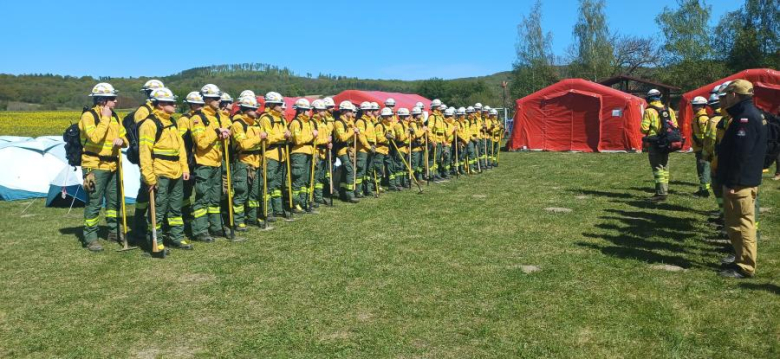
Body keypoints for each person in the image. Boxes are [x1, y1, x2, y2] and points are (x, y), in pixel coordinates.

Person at [717, 80, 766, 279]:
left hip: (740, 183)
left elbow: (740, 154)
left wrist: (731, 182)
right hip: (745, 180)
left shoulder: (744, 118)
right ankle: (740, 256)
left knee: (741, 223)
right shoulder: (753, 114)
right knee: (737, 222)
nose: (725, 98)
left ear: (734, 95)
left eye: (727, 94)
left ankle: (745, 266)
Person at [139, 88, 193, 255]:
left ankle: (176, 237)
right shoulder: (150, 124)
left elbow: (180, 148)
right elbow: (145, 152)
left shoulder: (172, 122)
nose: (174, 105)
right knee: (159, 208)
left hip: (176, 171)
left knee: (176, 207)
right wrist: (149, 177)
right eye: (170, 102)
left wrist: (185, 167)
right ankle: (155, 241)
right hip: (160, 171)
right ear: (160, 105)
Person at [79, 83, 128, 252]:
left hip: (113, 165)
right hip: (94, 166)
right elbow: (94, 138)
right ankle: (91, 237)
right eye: (112, 98)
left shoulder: (116, 116)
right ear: (102, 100)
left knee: (114, 202)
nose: (116, 101)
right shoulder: (88, 116)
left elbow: (124, 136)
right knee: (94, 202)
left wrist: (123, 141)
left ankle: (114, 232)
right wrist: (105, 118)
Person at [190, 84, 231, 242]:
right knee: (202, 197)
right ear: (206, 99)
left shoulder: (218, 116)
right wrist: (216, 133)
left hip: (217, 162)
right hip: (204, 163)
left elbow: (229, 126)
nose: (219, 100)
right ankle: (200, 230)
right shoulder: (197, 118)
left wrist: (227, 131)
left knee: (215, 198)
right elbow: (201, 143)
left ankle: (216, 227)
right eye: (215, 98)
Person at [131, 79, 165, 241]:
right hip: (148, 158)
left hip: (159, 160)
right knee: (146, 191)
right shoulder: (143, 112)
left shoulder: (158, 111)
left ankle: (149, 223)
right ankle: (140, 223)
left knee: (151, 192)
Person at [229, 95, 264, 231]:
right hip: (243, 162)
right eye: (254, 109)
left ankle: (252, 217)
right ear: (246, 109)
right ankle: (238, 221)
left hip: (257, 162)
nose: (257, 111)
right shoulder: (238, 124)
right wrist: (258, 138)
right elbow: (243, 144)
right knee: (241, 192)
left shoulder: (256, 124)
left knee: (254, 193)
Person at [258, 92, 291, 219]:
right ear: (271, 104)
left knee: (278, 184)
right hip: (270, 155)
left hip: (281, 155)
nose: (281, 106)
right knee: (268, 184)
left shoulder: (282, 119)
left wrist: (288, 136)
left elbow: (286, 134)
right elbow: (267, 138)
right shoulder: (265, 119)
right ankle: (268, 210)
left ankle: (278, 209)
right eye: (278, 104)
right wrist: (282, 136)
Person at [640, 89, 678, 202]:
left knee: (657, 167)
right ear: (659, 97)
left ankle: (661, 193)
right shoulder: (669, 110)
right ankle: (664, 190)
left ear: (648, 99)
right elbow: (675, 125)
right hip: (667, 141)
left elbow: (644, 129)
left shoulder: (649, 111)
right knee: (665, 166)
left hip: (654, 141)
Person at [177, 92, 204, 237]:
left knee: (191, 190)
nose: (201, 107)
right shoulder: (184, 119)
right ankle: (184, 215)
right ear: (192, 105)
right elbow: (182, 140)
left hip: (195, 158)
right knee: (185, 191)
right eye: (199, 104)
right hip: (187, 159)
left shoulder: (199, 118)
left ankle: (187, 214)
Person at [289, 98, 318, 213]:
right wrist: (312, 135)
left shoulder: (310, 122)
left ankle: (305, 201)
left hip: (309, 152)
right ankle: (295, 203)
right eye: (307, 110)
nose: (309, 112)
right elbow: (298, 140)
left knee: (307, 179)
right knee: (298, 178)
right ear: (301, 110)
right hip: (299, 153)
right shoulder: (296, 122)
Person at [703, 91, 725, 224]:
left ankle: (723, 214)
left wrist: (706, 155)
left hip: (717, 158)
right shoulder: (727, 117)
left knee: (718, 188)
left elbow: (710, 141)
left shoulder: (713, 120)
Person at [333, 101, 360, 203]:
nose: (352, 112)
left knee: (346, 172)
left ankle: (343, 192)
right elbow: (342, 137)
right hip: (341, 150)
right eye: (350, 110)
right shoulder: (338, 122)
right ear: (344, 111)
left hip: (349, 150)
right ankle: (350, 195)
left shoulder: (350, 122)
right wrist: (353, 131)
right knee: (349, 170)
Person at [311, 100, 333, 206]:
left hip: (324, 152)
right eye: (323, 109)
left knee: (320, 176)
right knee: (314, 176)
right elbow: (315, 140)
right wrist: (326, 141)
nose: (325, 111)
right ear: (317, 110)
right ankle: (312, 197)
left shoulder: (323, 123)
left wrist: (329, 144)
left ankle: (318, 197)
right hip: (316, 152)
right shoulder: (313, 122)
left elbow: (327, 137)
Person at [355, 102, 377, 197]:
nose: (370, 112)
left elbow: (374, 135)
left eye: (371, 110)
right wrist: (369, 147)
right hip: (363, 149)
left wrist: (374, 146)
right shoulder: (360, 121)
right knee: (361, 170)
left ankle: (368, 189)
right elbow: (362, 137)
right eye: (368, 110)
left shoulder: (370, 121)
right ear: (363, 111)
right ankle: (358, 191)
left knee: (369, 170)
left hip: (371, 148)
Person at [690, 96, 711, 197]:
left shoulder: (702, 118)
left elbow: (707, 135)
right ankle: (702, 188)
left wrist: (702, 144)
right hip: (699, 148)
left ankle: (704, 191)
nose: (693, 108)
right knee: (701, 170)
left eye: (696, 106)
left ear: (703, 106)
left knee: (704, 170)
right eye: (694, 105)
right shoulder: (697, 117)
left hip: (702, 148)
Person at [374, 107, 396, 191]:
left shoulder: (390, 125)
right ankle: (377, 185)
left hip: (387, 149)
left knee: (390, 166)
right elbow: (379, 138)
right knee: (379, 168)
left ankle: (391, 184)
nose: (391, 117)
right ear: (385, 116)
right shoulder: (379, 125)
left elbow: (393, 136)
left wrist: (392, 137)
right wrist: (386, 138)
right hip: (379, 149)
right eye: (390, 116)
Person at [393, 107, 413, 188]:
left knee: (405, 167)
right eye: (407, 116)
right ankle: (398, 183)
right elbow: (401, 138)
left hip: (407, 148)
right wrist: (408, 132)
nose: (409, 117)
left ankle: (404, 182)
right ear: (402, 116)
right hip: (400, 148)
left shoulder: (406, 125)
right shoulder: (398, 125)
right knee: (399, 166)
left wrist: (412, 133)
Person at [410, 107, 427, 181]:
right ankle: (411, 179)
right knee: (414, 164)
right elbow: (417, 134)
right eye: (420, 114)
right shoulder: (412, 124)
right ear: (416, 115)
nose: (421, 115)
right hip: (415, 147)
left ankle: (419, 178)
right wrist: (423, 130)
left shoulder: (420, 123)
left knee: (421, 164)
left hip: (421, 147)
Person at [440, 108, 457, 179]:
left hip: (450, 144)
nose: (452, 117)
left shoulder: (449, 124)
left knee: (448, 159)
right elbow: (447, 134)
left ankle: (447, 172)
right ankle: (445, 173)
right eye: (451, 116)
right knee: (446, 159)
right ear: (448, 117)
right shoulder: (444, 124)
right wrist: (453, 129)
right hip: (445, 144)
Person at [456, 107, 471, 174]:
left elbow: (467, 132)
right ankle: (459, 169)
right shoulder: (457, 123)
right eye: (464, 115)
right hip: (460, 141)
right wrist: (464, 140)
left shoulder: (466, 122)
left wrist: (467, 139)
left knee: (463, 156)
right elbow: (458, 133)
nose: (465, 116)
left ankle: (462, 168)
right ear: (460, 115)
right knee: (460, 156)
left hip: (466, 141)